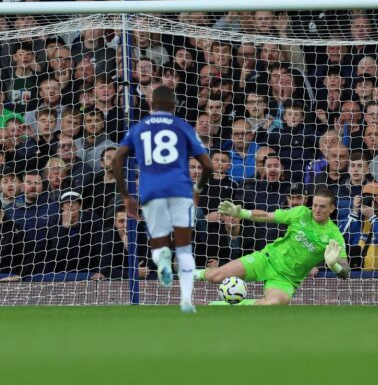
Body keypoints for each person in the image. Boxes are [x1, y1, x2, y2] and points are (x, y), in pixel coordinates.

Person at [112, 85, 214, 313]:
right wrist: (197, 187)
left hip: (152, 192)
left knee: (158, 246)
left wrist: (125, 195)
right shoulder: (182, 126)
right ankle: (186, 300)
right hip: (180, 190)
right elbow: (208, 165)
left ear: (151, 104)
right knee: (185, 248)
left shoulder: (138, 128)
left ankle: (163, 259)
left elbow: (116, 159)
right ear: (174, 106)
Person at [201, 188, 350, 305]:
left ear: (332, 208)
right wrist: (241, 213)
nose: (316, 210)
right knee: (216, 275)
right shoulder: (301, 213)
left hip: (286, 279)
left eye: (322, 207)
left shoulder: (335, 237)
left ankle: (229, 305)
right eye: (315, 205)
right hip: (267, 260)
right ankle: (187, 273)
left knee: (272, 304)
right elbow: (267, 216)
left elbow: (345, 272)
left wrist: (333, 265)